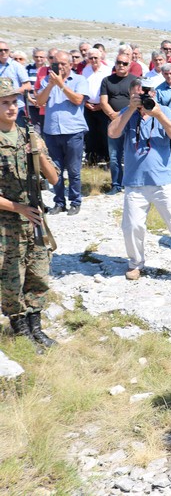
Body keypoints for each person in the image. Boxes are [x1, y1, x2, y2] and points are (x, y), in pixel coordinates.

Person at [107, 78, 171, 284]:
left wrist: (157, 114)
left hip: (163, 180)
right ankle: (135, 263)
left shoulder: (165, 112)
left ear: (154, 93)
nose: (143, 97)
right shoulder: (127, 113)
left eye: (147, 93)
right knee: (132, 225)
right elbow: (113, 132)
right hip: (134, 180)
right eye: (138, 94)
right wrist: (131, 109)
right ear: (132, 95)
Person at [0, 77, 59, 349]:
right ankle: (20, 329)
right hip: (7, 222)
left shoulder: (29, 135)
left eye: (14, 102)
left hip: (34, 217)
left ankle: (36, 326)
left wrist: (37, 153)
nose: (12, 108)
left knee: (38, 272)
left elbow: (55, 179)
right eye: (5, 103)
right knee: (11, 277)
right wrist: (18, 208)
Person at [36, 50, 90, 216]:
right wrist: (52, 84)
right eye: (56, 63)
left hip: (73, 131)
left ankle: (75, 201)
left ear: (71, 64)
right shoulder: (47, 80)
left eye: (63, 64)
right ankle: (59, 202)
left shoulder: (79, 80)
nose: (59, 67)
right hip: (52, 131)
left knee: (74, 170)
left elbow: (78, 100)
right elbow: (39, 102)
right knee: (55, 170)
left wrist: (61, 85)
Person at [100, 52, 136, 195]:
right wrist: (114, 116)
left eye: (125, 63)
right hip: (113, 122)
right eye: (119, 62)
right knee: (114, 155)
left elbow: (136, 100)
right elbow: (103, 102)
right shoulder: (107, 81)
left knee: (131, 154)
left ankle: (131, 183)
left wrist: (125, 115)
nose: (121, 65)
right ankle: (116, 185)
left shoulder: (135, 81)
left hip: (131, 121)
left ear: (130, 65)